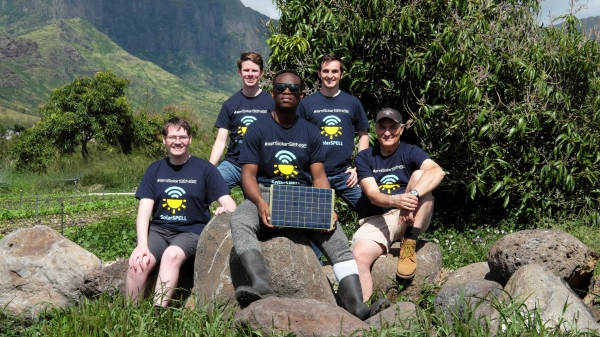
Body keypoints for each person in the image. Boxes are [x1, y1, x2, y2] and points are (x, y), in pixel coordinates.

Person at [230, 69, 389, 320]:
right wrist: (259, 202)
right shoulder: (258, 129)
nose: (286, 92)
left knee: (338, 241)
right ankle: (261, 286)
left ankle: (357, 306)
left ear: (301, 96)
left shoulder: (310, 132)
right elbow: (247, 175)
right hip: (267, 192)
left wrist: (325, 206)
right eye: (281, 87)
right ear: (272, 93)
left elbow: (319, 177)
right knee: (240, 219)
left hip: (303, 197)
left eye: (293, 89)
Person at [126, 117, 236, 307]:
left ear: (190, 139)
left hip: (191, 231)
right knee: (138, 264)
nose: (177, 141)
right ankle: (129, 315)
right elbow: (144, 212)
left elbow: (230, 204)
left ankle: (157, 313)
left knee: (171, 255)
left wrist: (224, 209)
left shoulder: (205, 169)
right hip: (159, 230)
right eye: (172, 137)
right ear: (164, 140)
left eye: (182, 137)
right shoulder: (155, 169)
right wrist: (142, 245)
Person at [351, 108, 445, 301]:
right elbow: (372, 195)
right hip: (378, 218)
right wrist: (397, 200)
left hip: (411, 215)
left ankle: (409, 243)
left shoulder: (410, 151)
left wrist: (411, 196)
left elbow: (438, 172)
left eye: (392, 127)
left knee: (421, 176)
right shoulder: (364, 157)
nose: (387, 132)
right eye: (382, 127)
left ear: (401, 129)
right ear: (374, 129)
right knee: (359, 256)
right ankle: (363, 310)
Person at [296, 53, 370, 209]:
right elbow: (296, 137)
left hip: (345, 174)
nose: (330, 75)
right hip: (313, 175)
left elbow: (363, 134)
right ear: (319, 73)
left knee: (371, 210)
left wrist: (359, 167)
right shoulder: (306, 104)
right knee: (312, 218)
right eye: (326, 71)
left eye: (334, 71)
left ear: (341, 74)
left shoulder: (352, 102)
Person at [209, 51, 275, 189]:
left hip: (260, 167)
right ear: (240, 72)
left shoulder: (271, 103)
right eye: (246, 70)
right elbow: (221, 141)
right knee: (206, 188)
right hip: (233, 164)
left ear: (261, 73)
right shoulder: (230, 104)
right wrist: (209, 168)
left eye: (254, 70)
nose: (250, 74)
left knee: (261, 205)